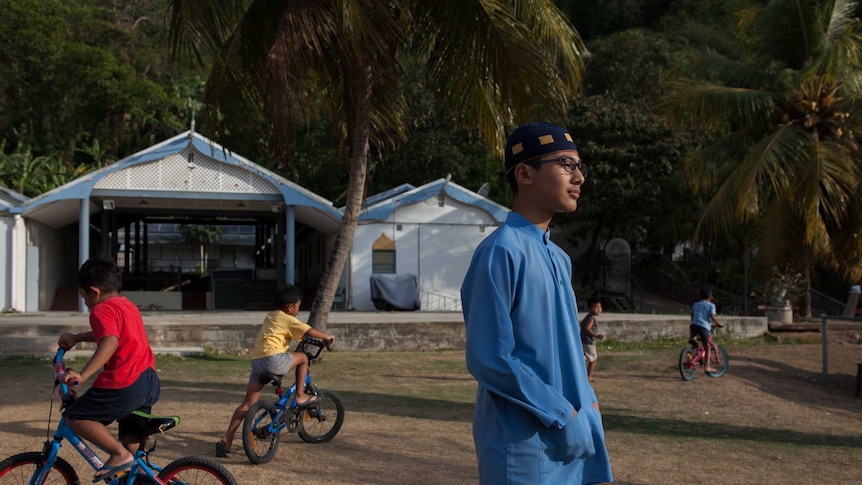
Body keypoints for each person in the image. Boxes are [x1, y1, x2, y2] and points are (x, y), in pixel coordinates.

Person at [460, 122, 613, 484]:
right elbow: (489, 357)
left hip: (574, 433)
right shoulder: (500, 252)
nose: (579, 178)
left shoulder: (559, 258)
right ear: (525, 173)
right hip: (524, 443)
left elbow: (565, 346)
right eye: (566, 164)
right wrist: (562, 412)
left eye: (580, 167)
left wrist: (587, 404)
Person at [57, 254, 161, 482]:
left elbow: (110, 341)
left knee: (75, 416)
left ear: (94, 292)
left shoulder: (100, 310)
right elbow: (111, 333)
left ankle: (118, 454)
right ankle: (138, 470)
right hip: (148, 381)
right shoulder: (127, 305)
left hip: (125, 382)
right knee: (133, 457)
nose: (84, 302)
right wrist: (76, 337)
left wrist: (81, 375)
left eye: (83, 296)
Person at [216, 284, 334, 457]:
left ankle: (227, 438)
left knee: (247, 404)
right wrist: (326, 337)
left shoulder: (271, 316)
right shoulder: (288, 318)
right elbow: (308, 330)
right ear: (290, 307)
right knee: (303, 357)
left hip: (258, 362)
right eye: (298, 307)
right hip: (273, 360)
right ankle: (300, 394)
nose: (298, 311)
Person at [690, 287, 724, 372]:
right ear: (711, 297)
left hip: (693, 325)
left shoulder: (696, 304)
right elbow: (712, 316)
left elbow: (692, 315)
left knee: (694, 343)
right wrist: (719, 323)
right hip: (703, 327)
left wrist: (694, 322)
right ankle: (707, 367)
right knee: (707, 346)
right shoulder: (711, 305)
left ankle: (688, 357)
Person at [581, 297, 606, 383]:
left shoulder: (587, 316)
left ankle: (583, 375)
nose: (599, 310)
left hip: (583, 341)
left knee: (583, 358)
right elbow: (587, 329)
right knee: (593, 359)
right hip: (589, 342)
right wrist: (597, 336)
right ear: (591, 308)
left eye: (600, 307)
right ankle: (589, 376)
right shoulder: (592, 318)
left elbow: (582, 324)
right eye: (597, 307)